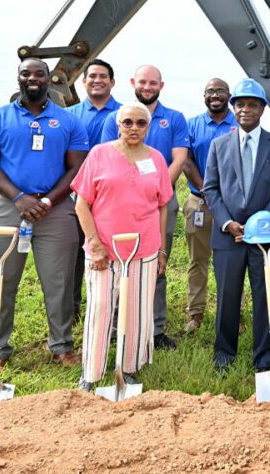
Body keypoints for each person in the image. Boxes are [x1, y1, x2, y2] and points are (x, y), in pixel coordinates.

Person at [0, 58, 89, 371]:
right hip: (7, 208)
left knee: (59, 283)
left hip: (56, 209)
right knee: (1, 280)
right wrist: (20, 198)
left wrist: (48, 201)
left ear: (50, 79)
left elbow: (77, 166)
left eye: (39, 73)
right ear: (18, 78)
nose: (33, 78)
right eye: (26, 73)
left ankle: (62, 347)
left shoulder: (67, 121)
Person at [71, 101, 174, 392]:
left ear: (148, 127)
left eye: (141, 123)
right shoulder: (99, 154)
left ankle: (129, 369)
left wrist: (162, 249)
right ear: (118, 124)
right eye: (127, 122)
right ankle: (90, 374)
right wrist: (95, 244)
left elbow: (163, 206)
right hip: (104, 250)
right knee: (100, 309)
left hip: (144, 251)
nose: (133, 128)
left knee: (138, 312)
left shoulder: (155, 159)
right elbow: (82, 203)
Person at [203, 78, 270, 371]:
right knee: (228, 296)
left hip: (265, 237)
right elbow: (211, 189)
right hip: (228, 235)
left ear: (262, 109)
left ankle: (264, 358)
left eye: (252, 105)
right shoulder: (218, 145)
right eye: (240, 104)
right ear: (233, 107)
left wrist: (258, 226)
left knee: (264, 296)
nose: (245, 110)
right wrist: (228, 223)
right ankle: (224, 355)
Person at [101, 64, 188, 350]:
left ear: (161, 85)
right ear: (132, 83)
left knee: (156, 262)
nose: (148, 87)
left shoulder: (174, 118)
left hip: (160, 203)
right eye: (143, 82)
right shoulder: (118, 117)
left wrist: (157, 192)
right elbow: (106, 160)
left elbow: (178, 160)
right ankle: (114, 326)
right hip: (119, 205)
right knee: (116, 263)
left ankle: (154, 327)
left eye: (153, 83)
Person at [180, 78, 236, 334]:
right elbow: (186, 161)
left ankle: (232, 312)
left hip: (233, 205)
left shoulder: (239, 124)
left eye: (220, 91)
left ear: (229, 95)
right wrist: (206, 188)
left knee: (231, 262)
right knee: (198, 260)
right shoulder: (191, 125)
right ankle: (196, 312)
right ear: (204, 96)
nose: (215, 95)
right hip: (199, 202)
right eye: (210, 91)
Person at [66, 58, 120, 322]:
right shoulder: (70, 115)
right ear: (83, 81)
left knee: (113, 249)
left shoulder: (125, 114)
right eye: (92, 76)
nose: (97, 80)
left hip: (115, 197)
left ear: (112, 82)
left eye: (103, 76)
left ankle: (113, 306)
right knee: (77, 249)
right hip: (80, 195)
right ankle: (74, 305)